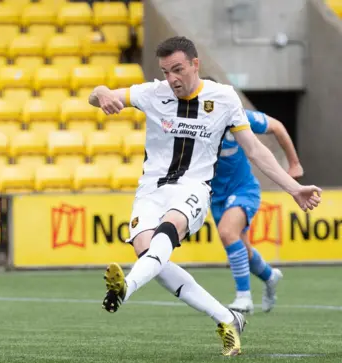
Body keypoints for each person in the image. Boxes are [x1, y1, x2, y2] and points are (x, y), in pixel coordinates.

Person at [88, 36, 321, 356]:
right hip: (151, 189)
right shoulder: (152, 93)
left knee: (166, 234)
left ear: (195, 64)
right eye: (166, 71)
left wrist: (294, 188)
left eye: (178, 69)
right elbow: (98, 94)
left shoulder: (223, 98)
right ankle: (227, 317)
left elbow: (255, 150)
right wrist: (101, 95)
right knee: (149, 255)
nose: (172, 78)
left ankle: (126, 289)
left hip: (193, 188)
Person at [208, 92, 303, 314]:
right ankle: (270, 276)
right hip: (215, 195)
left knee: (227, 233)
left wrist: (294, 163)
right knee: (243, 249)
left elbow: (277, 127)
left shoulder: (240, 116)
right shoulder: (193, 121)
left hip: (243, 189)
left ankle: (244, 298)